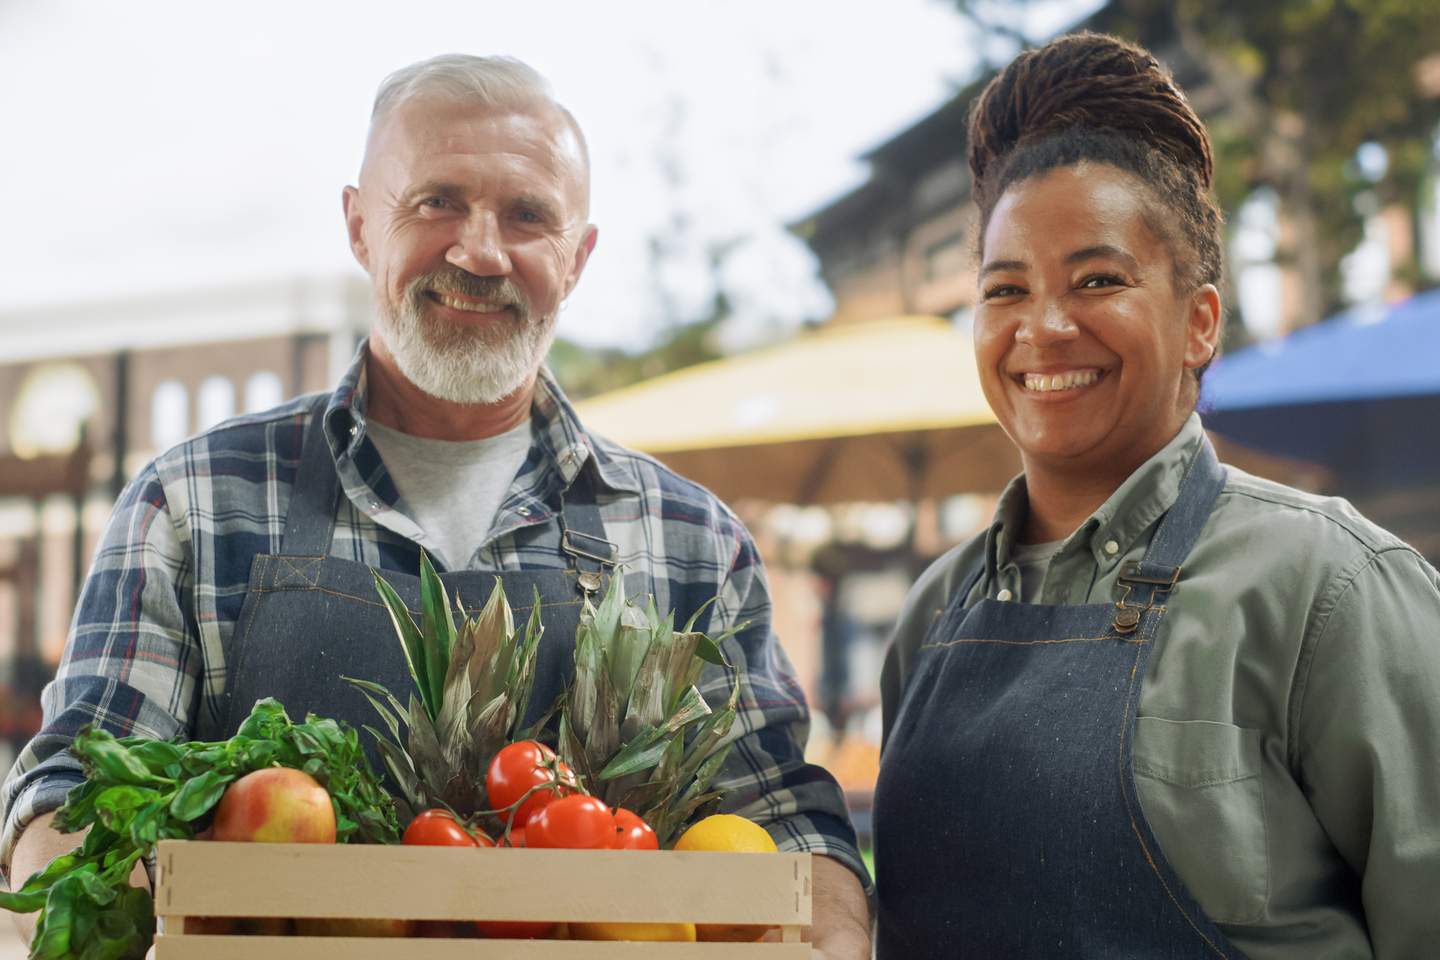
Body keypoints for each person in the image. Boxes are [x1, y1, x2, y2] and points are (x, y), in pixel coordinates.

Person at [2, 55, 872, 956]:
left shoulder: (692, 543)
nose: (480, 251)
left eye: (528, 215)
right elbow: (72, 794)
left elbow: (790, 822)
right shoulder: (190, 505)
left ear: (576, 259)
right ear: (359, 227)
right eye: (436, 202)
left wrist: (829, 942)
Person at [874, 32, 1440, 960]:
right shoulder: (935, 615)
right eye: (1005, 289)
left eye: (1098, 280)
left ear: (1200, 322)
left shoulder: (1330, 590)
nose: (1045, 327)